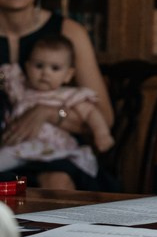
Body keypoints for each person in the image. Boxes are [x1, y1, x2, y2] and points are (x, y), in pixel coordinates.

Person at [0, 0, 113, 191]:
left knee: (56, 180)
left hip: (57, 158)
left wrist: (49, 112)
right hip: (6, 154)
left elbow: (104, 119)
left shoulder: (69, 32)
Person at [0, 35, 114, 187]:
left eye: (55, 68)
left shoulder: (66, 95)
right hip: (20, 146)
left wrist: (102, 134)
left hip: (54, 148)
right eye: (39, 66)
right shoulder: (22, 92)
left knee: (57, 178)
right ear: (27, 67)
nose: (45, 73)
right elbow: (8, 77)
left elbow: (90, 112)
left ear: (68, 75)